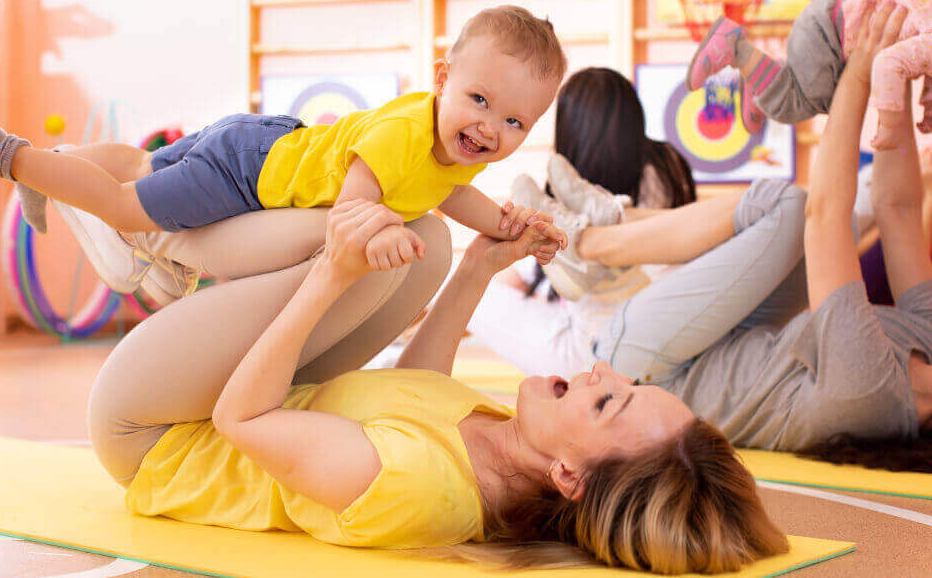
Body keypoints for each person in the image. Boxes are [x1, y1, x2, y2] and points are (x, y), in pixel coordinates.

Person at [86, 199, 787, 574]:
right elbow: (410, 395)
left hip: (155, 434)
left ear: (571, 476)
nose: (601, 371)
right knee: (425, 245)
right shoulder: (506, 449)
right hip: (250, 393)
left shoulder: (416, 490)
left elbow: (241, 418)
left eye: (607, 402)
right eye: (625, 381)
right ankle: (165, 253)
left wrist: (331, 274)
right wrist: (482, 266)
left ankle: (147, 237)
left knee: (363, 239)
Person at [526, 3, 932, 468]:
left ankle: (587, 244)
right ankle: (609, 221)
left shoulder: (871, 393)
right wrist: (893, 77)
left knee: (787, 206)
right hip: (727, 334)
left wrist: (860, 71)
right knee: (785, 214)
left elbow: (827, 217)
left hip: (650, 370)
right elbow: (898, 208)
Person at [0, 5, 565, 296]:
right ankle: (9, 154)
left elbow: (452, 193)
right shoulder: (402, 136)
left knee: (134, 162)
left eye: (514, 120)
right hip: (246, 172)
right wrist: (377, 237)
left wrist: (510, 224)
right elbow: (348, 214)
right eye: (479, 100)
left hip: (264, 140)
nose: (490, 128)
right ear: (441, 77)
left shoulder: (447, 153)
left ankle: (53, 167)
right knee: (126, 208)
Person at [468, 67, 697, 376]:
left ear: (570, 130)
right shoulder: (668, 166)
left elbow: (522, 276)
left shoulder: (570, 183)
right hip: (675, 333)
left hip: (599, 353)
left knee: (473, 295)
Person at [686, 0, 931, 147]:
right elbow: (888, 65)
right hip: (830, 36)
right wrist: (889, 125)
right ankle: (738, 51)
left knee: (807, 94)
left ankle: (759, 74)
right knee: (796, 105)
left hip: (831, 22)